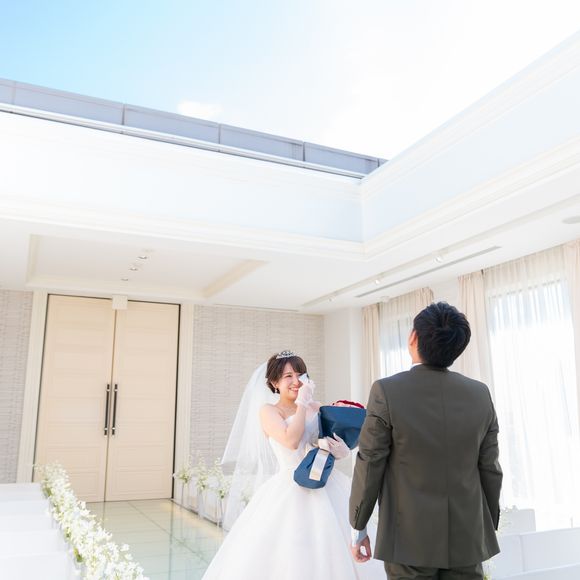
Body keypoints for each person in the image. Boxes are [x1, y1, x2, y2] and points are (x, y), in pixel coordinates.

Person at [350, 302, 503, 580]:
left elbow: (370, 461)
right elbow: (490, 468)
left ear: (413, 337)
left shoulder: (387, 391)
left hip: (408, 540)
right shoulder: (480, 394)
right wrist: (486, 525)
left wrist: (358, 526)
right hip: (467, 537)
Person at [202, 351, 385, 580]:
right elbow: (291, 440)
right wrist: (302, 404)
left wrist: (343, 452)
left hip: (326, 483)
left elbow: (326, 446)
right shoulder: (269, 411)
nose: (296, 381)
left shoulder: (317, 407)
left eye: (300, 374)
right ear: (274, 383)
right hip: (289, 486)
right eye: (288, 376)